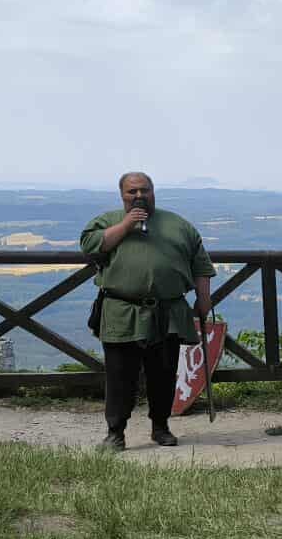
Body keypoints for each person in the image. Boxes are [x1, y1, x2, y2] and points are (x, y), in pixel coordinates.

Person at [79, 171, 214, 452]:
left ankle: (161, 427)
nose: (139, 195)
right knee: (120, 376)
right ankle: (115, 433)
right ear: (122, 195)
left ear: (153, 191)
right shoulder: (107, 221)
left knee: (163, 373)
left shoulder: (179, 225)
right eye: (132, 191)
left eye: (145, 190)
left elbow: (200, 264)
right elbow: (91, 247)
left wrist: (204, 299)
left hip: (168, 312)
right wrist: (126, 225)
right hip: (121, 310)